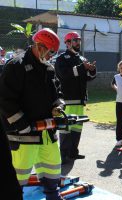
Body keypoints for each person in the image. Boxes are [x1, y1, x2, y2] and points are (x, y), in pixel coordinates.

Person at [0, 28, 65, 200]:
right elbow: (5, 101)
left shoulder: (49, 69)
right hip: (23, 136)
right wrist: (23, 125)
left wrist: (58, 106)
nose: (52, 56)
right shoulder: (16, 66)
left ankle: (53, 195)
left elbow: (57, 93)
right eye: (51, 52)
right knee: (18, 176)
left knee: (52, 168)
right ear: (39, 46)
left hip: (47, 133)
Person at [55, 31, 97, 164]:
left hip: (79, 101)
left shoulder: (82, 59)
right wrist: (81, 67)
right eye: (74, 40)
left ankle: (73, 153)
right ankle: (63, 155)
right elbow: (63, 74)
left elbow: (88, 78)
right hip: (67, 100)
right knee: (65, 128)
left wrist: (91, 70)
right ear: (67, 43)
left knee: (77, 127)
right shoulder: (62, 58)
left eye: (78, 40)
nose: (78, 42)